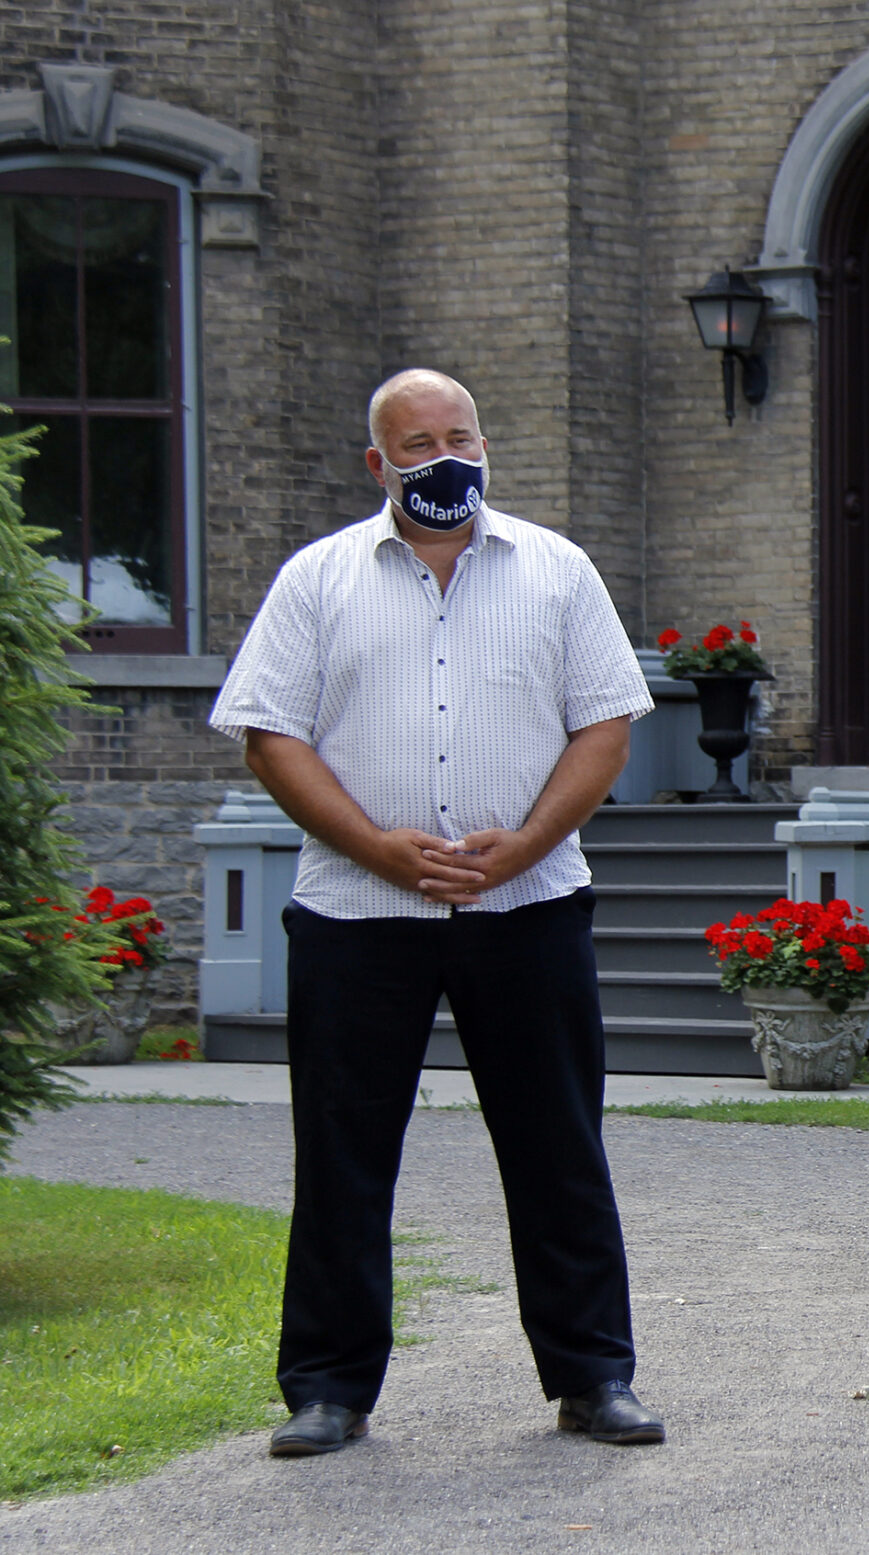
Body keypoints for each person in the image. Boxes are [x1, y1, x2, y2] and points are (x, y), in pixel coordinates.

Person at [210, 369, 665, 1456]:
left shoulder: (557, 571)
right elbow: (271, 730)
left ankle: (593, 1375)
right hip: (357, 911)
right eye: (416, 442)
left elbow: (606, 721)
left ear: (487, 442)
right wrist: (375, 846)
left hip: (530, 905)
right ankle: (327, 1387)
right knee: (342, 1150)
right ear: (378, 463)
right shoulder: (318, 579)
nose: (442, 457)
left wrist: (527, 843)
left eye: (459, 434)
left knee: (557, 1144)